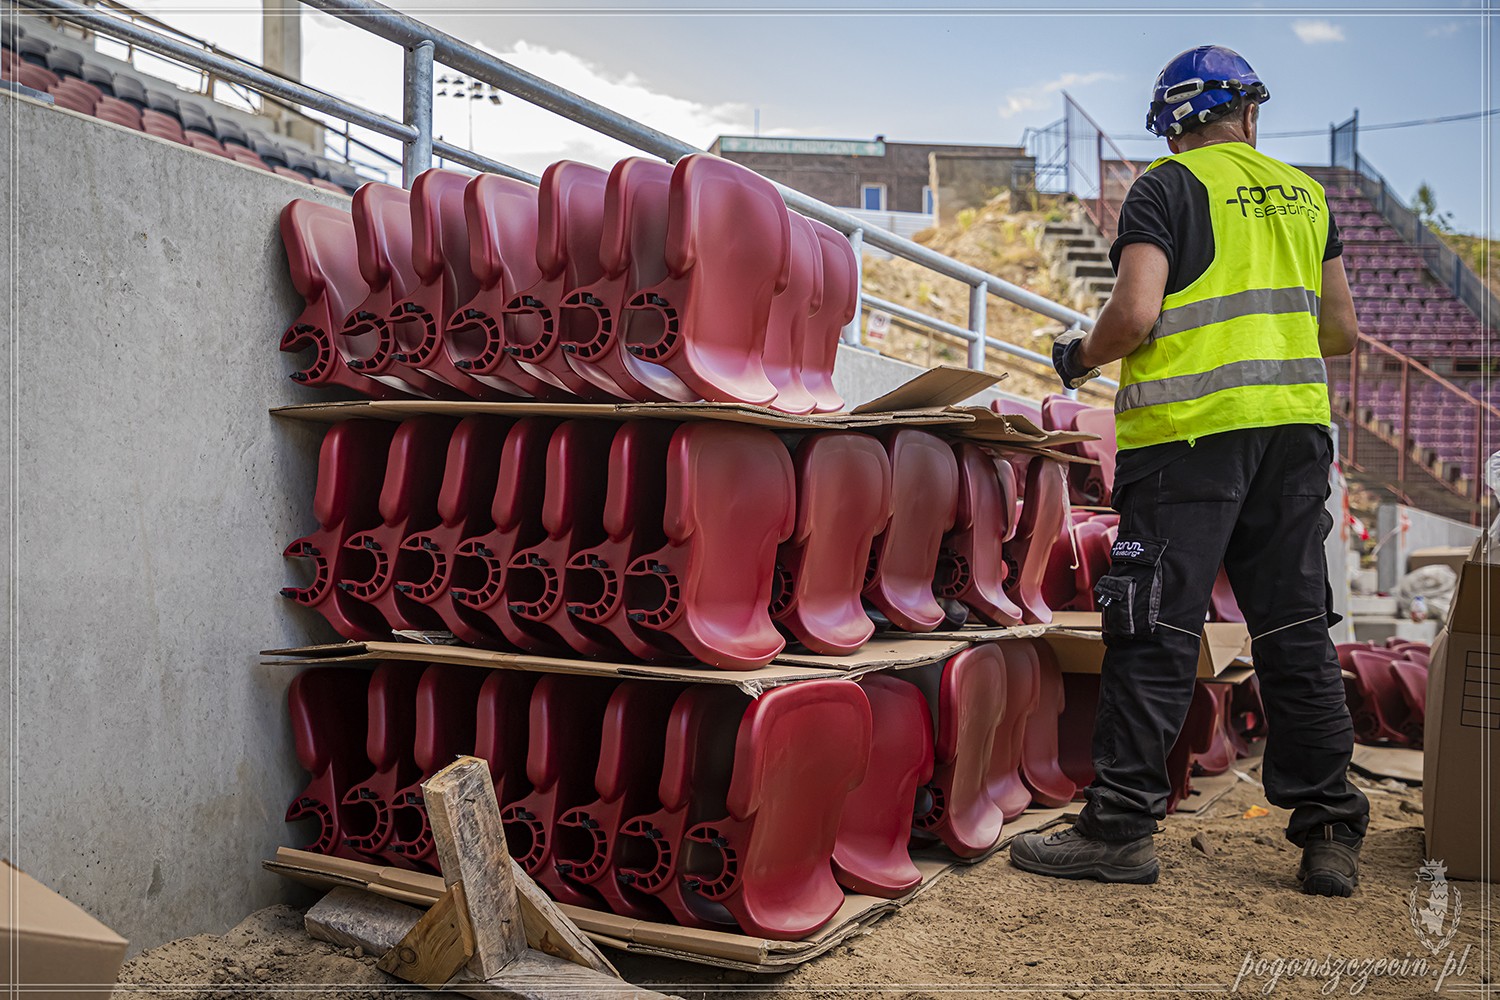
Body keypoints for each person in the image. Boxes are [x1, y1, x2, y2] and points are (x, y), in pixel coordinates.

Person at [1009, 45, 1370, 897]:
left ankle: (1121, 829)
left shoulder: (1167, 188)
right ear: (1248, 114)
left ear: (1174, 125)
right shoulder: (1307, 197)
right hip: (1291, 438)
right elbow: (1341, 331)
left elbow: (1133, 314)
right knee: (1294, 631)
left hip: (1186, 440)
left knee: (1155, 630)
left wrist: (1078, 356)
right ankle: (1327, 833)